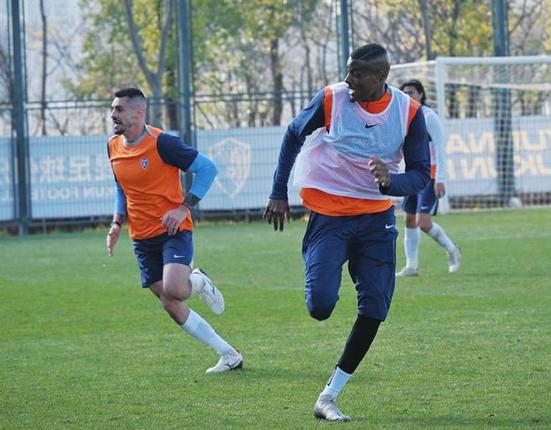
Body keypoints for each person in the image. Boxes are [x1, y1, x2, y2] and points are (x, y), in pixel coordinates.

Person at [263, 43, 430, 422]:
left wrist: (391, 182)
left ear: (380, 77)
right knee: (320, 306)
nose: (348, 79)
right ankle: (318, 263)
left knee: (376, 307)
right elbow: (293, 134)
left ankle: (330, 394)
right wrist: (278, 191)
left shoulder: (409, 112)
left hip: (376, 220)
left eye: (357, 73)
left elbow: (421, 173)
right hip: (329, 215)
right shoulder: (331, 99)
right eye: (348, 70)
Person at [105, 87, 243, 374]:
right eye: (112, 109)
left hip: (173, 230)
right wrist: (117, 222)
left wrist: (183, 208)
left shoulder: (163, 143)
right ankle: (229, 354)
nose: (112, 114)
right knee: (170, 303)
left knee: (176, 289)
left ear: (139, 112)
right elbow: (121, 187)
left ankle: (198, 280)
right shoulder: (113, 146)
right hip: (141, 237)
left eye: (119, 109)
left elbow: (208, 169)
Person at [396, 79, 460, 277]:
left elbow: (440, 149)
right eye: (405, 93)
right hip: (412, 174)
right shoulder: (403, 116)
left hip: (429, 176)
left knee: (423, 222)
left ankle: (452, 250)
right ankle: (412, 266)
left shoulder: (429, 116)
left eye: (412, 92)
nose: (408, 96)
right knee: (409, 220)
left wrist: (440, 179)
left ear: (421, 94)